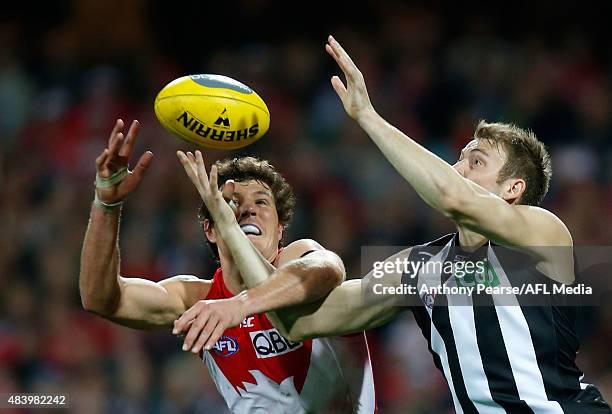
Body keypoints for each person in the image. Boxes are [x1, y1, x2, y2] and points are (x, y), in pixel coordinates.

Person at [177, 35, 611, 413]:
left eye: (475, 161)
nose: (457, 168)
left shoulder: (543, 235)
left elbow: (452, 196)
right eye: (459, 158)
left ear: (514, 188)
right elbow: (296, 324)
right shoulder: (420, 268)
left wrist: (368, 116)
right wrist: (229, 229)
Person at [79, 120, 376, 413]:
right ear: (211, 229)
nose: (247, 210)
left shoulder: (299, 257)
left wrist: (239, 306)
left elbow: (327, 269)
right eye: (231, 203)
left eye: (262, 203)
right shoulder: (196, 300)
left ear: (281, 228)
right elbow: (100, 299)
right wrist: (106, 203)